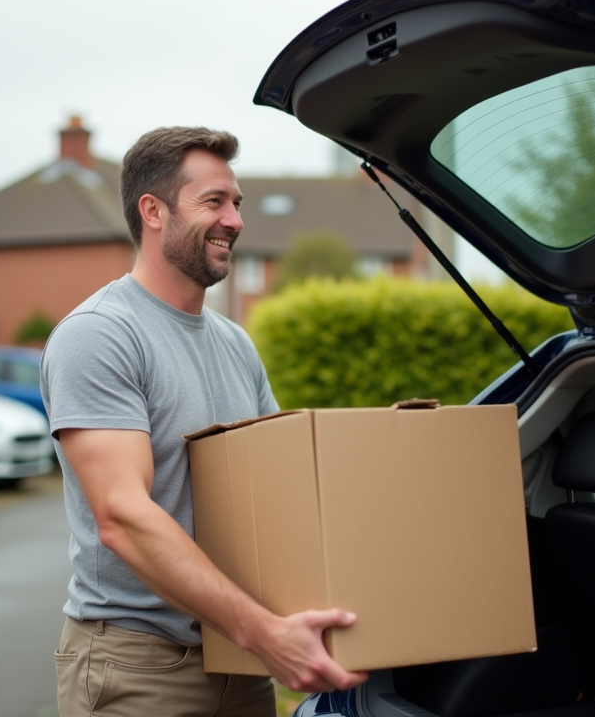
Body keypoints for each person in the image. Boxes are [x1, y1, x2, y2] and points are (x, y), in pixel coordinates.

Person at [41, 127, 368, 717]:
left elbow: (277, 496)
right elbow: (123, 517)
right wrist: (264, 633)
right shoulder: (101, 335)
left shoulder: (236, 343)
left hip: (239, 664)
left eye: (236, 204)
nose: (235, 220)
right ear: (154, 211)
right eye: (214, 202)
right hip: (140, 666)